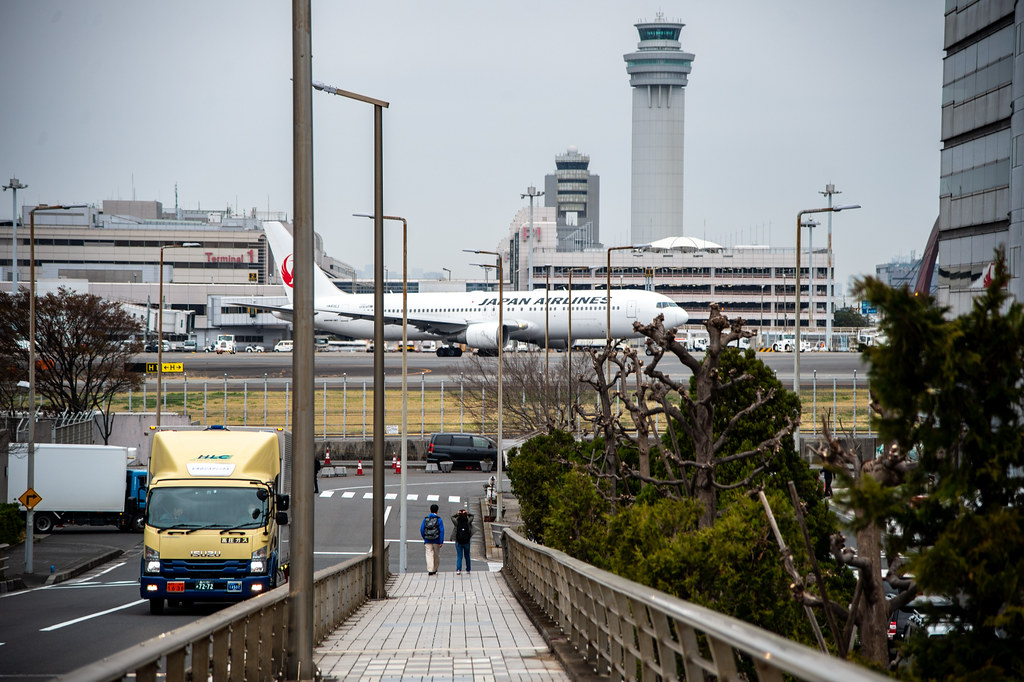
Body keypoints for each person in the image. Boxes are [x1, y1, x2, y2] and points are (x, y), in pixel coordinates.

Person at [420, 503, 444, 575]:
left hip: (428, 540)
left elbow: (422, 529)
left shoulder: (426, 519)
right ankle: (435, 569)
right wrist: (441, 541)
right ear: (437, 511)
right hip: (436, 540)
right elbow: (441, 531)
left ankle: (430, 569)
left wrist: (425, 537)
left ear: (430, 510)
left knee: (429, 554)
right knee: (436, 555)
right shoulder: (439, 520)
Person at [450, 507, 474, 575]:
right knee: (467, 556)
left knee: (459, 556)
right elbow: (472, 516)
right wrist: (467, 513)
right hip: (467, 541)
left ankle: (458, 569)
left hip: (458, 541)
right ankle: (468, 569)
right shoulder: (468, 521)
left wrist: (457, 514)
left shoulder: (456, 522)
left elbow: (452, 517)